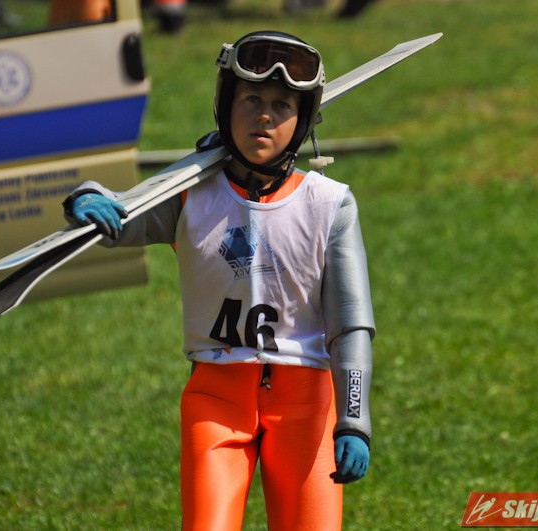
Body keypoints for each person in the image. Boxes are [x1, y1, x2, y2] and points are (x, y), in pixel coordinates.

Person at [63, 31, 374, 530]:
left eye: (281, 105)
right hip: (216, 398)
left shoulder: (329, 205)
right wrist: (86, 198)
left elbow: (350, 325)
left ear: (303, 120)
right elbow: (121, 216)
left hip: (308, 402)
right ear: (226, 104)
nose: (264, 116)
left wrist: (354, 420)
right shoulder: (190, 196)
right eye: (251, 99)